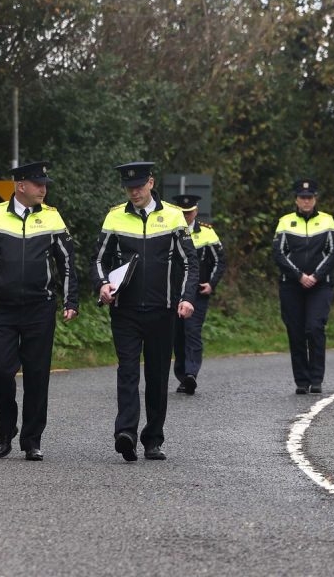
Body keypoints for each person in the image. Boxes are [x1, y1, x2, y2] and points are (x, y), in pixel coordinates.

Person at [0, 161, 79, 461]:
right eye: (38, 184)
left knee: (37, 375)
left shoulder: (52, 217)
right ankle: (5, 429)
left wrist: (70, 301)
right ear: (20, 186)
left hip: (40, 308)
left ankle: (32, 439)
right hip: (3, 309)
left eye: (45, 184)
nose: (44, 189)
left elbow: (67, 261)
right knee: (0, 370)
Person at [91, 162, 199, 462]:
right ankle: (125, 433)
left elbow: (190, 262)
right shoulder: (115, 217)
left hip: (162, 311)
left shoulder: (174, 216)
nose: (134, 192)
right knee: (127, 371)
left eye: (139, 185)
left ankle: (153, 438)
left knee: (156, 376)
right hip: (125, 311)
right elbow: (98, 259)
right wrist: (101, 284)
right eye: (129, 188)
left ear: (151, 183)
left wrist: (187, 298)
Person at [271, 179, 334, 395]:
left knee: (314, 328)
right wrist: (299, 276)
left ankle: (316, 378)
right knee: (296, 331)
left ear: (315, 199)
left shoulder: (327, 221)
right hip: (291, 285)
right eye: (303, 197)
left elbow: (333, 251)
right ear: (296, 200)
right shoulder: (285, 222)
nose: (306, 201)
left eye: (310, 197)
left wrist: (316, 276)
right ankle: (302, 380)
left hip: (320, 286)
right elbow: (278, 253)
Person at [170, 194, 226, 395]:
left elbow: (220, 261)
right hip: (174, 292)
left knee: (191, 331)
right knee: (177, 335)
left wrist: (211, 284)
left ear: (195, 212)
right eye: (183, 213)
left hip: (198, 293)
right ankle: (182, 376)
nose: (186, 216)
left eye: (189, 212)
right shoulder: (169, 230)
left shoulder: (207, 233)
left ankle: (191, 373)